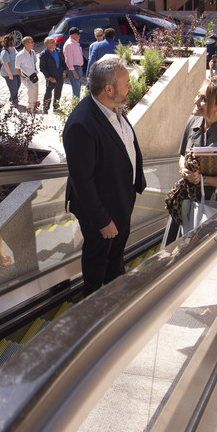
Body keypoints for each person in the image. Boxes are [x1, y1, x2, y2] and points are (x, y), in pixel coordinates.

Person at [63, 57, 146, 295]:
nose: (131, 86)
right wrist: (102, 221)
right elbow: (82, 181)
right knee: (98, 258)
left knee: (116, 253)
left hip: (121, 198)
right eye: (126, 82)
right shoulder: (82, 124)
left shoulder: (113, 108)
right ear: (109, 89)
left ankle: (115, 295)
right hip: (101, 211)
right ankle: (93, 305)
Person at [167, 76, 217, 239]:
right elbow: (182, 155)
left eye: (203, 99)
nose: (196, 101)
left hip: (216, 208)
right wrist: (184, 170)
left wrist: (202, 179)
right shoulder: (193, 120)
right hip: (188, 202)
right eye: (198, 95)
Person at [40, 36, 67, 113]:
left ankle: (56, 107)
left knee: (58, 92)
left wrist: (64, 70)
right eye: (52, 42)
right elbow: (42, 68)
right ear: (48, 44)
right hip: (51, 76)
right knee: (48, 93)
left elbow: (62, 62)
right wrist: (49, 77)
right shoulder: (44, 54)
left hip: (59, 75)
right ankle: (45, 109)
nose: (55, 43)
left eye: (54, 41)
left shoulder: (58, 51)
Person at [15, 36, 40, 111]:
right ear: (26, 44)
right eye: (31, 42)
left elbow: (34, 62)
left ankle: (35, 104)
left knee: (36, 90)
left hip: (33, 76)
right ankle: (30, 107)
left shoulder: (32, 52)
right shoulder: (20, 55)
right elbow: (17, 68)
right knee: (30, 90)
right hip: (25, 77)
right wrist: (21, 76)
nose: (33, 43)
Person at [0, 34, 21, 106]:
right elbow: (5, 64)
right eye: (13, 40)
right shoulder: (5, 52)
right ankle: (14, 100)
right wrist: (10, 75)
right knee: (13, 87)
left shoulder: (13, 48)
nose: (14, 41)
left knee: (18, 85)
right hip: (9, 73)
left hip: (16, 71)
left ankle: (13, 97)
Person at [62, 26, 85, 98]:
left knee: (78, 89)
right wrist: (73, 72)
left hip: (79, 68)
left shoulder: (75, 42)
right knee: (76, 90)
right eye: (78, 34)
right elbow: (68, 59)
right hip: (74, 69)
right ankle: (76, 106)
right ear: (73, 35)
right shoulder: (69, 44)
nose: (79, 35)